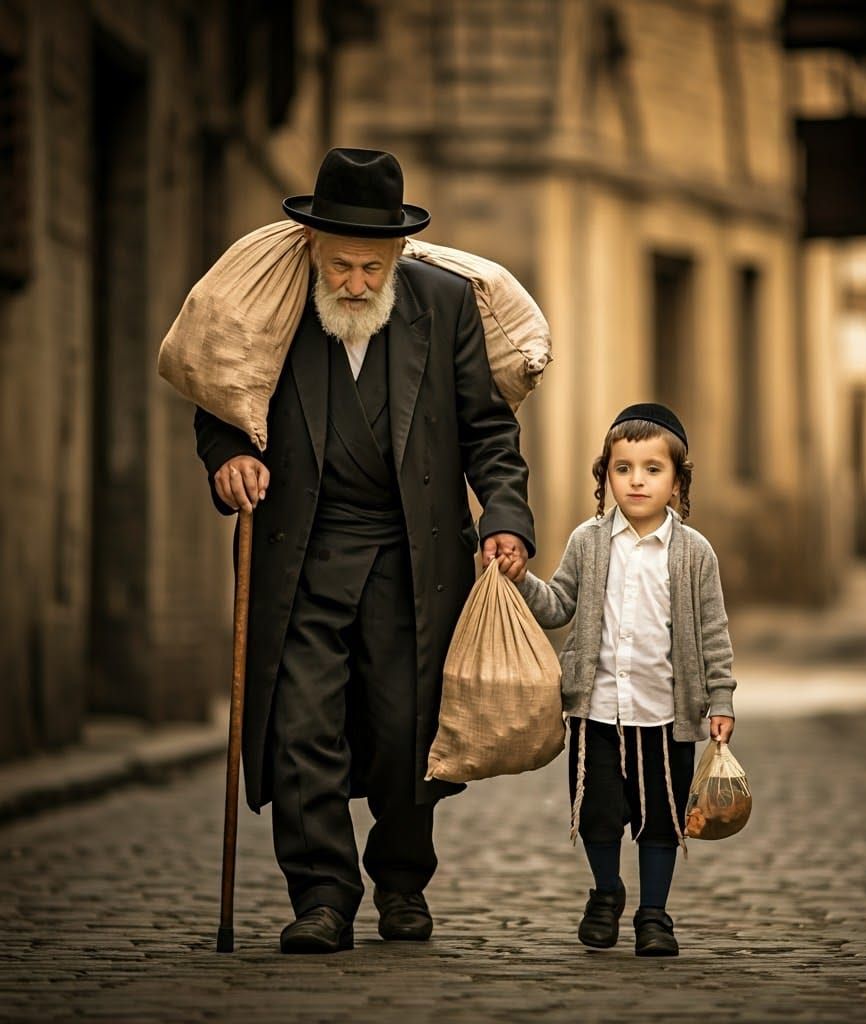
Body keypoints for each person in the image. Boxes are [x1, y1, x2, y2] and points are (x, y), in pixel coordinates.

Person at [194, 148, 534, 953]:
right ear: (312, 247)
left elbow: (490, 430)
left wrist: (506, 517)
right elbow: (222, 399)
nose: (353, 282)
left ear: (397, 256)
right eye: (340, 265)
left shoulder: (445, 306)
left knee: (406, 731)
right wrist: (228, 458)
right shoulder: (274, 306)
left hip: (412, 555)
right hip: (303, 550)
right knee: (299, 727)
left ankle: (402, 880)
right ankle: (321, 896)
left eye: (369, 267)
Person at [512, 403, 736, 957]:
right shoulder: (589, 542)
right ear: (605, 475)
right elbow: (560, 603)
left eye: (652, 469)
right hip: (598, 710)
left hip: (667, 713)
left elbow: (713, 631)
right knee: (598, 813)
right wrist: (520, 582)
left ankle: (654, 915)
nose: (636, 480)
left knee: (662, 820)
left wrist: (721, 698)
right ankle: (606, 892)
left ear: (678, 481)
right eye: (623, 468)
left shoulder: (694, 552)